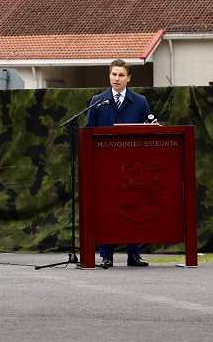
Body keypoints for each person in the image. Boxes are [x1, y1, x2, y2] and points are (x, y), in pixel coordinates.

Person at [84, 58, 152, 268]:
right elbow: (88, 131)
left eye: (121, 75)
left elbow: (148, 128)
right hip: (106, 165)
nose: (117, 78)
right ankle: (106, 255)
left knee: (135, 209)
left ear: (129, 78)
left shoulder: (140, 101)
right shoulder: (98, 101)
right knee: (107, 210)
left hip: (133, 167)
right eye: (114, 74)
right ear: (109, 76)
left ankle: (134, 254)